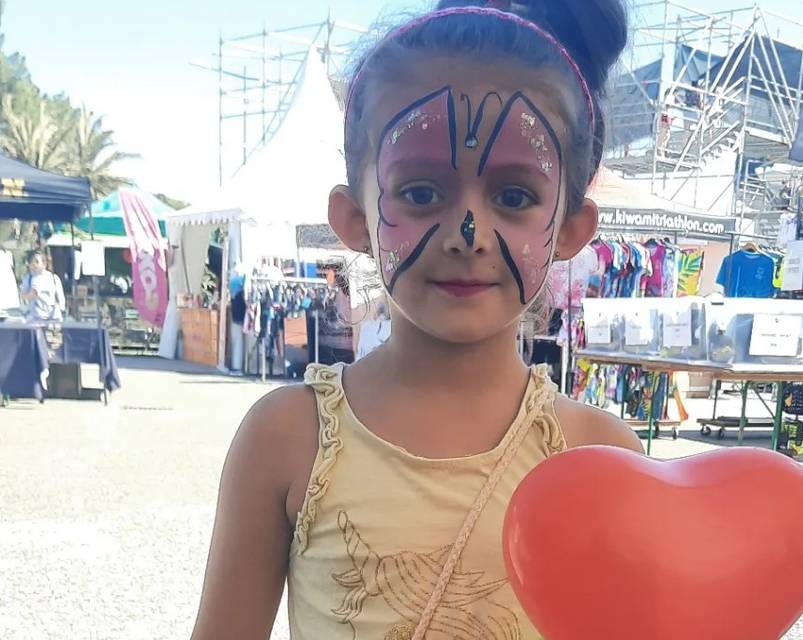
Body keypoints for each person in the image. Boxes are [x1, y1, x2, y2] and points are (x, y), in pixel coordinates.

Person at [191, 2, 643, 639]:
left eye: (514, 197)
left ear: (570, 228)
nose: (469, 233)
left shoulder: (601, 456)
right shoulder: (289, 438)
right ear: (353, 219)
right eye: (421, 191)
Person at [20, 250, 65, 322]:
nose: (34, 264)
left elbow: (60, 296)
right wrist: (30, 295)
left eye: (37, 262)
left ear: (44, 264)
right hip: (35, 317)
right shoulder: (28, 278)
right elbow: (23, 296)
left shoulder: (53, 278)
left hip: (53, 317)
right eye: (32, 262)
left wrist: (61, 310)